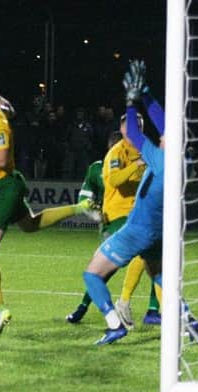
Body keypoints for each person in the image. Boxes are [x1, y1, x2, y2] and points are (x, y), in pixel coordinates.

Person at [0, 67, 99, 335]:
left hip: (1, 187)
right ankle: (80, 207)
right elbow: (8, 107)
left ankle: (0, 310)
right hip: (7, 185)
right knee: (30, 225)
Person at [82, 60, 198, 345]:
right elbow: (164, 123)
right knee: (159, 277)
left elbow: (133, 133)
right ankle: (189, 320)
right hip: (159, 232)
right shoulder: (183, 161)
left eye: (166, 136)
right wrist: (145, 93)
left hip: (138, 230)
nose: (162, 133)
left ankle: (113, 324)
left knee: (92, 275)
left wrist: (131, 103)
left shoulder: (161, 160)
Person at [66, 121, 161, 327]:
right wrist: (92, 212)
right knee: (104, 271)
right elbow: (105, 186)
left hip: (138, 217)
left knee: (157, 259)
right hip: (115, 219)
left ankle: (153, 310)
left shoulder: (146, 154)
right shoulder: (100, 166)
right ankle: (96, 306)